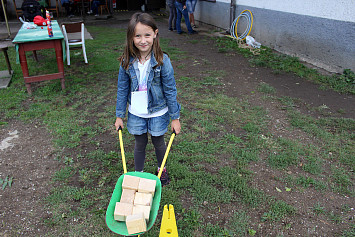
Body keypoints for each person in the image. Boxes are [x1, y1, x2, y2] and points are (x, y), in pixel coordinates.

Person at [115, 12, 181, 186]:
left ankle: (161, 169)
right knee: (140, 143)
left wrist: (175, 117)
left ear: (155, 34)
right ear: (131, 37)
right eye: (137, 36)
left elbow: (170, 89)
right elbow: (122, 89)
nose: (142, 40)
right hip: (137, 111)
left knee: (158, 141)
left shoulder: (162, 61)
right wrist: (119, 116)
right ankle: (139, 173)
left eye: (147, 35)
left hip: (158, 111)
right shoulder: (126, 62)